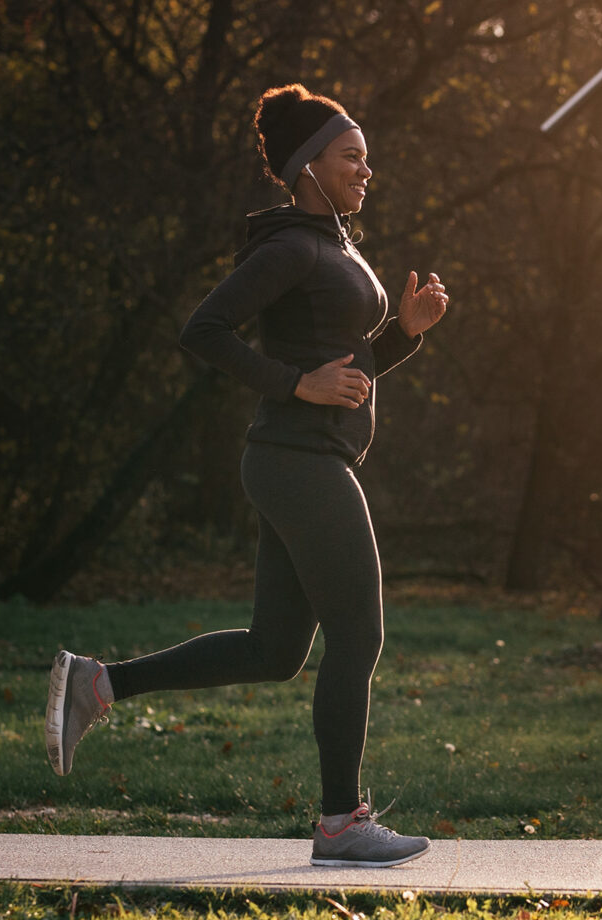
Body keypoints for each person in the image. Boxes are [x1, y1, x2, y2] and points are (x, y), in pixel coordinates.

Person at [43, 83, 450, 867]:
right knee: (358, 634)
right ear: (308, 164)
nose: (367, 169)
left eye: (367, 157)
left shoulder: (333, 245)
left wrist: (402, 333)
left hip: (300, 459)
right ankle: (341, 822)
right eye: (351, 157)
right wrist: (295, 386)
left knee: (275, 651)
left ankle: (98, 686)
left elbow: (346, 369)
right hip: (299, 461)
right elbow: (205, 330)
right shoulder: (293, 246)